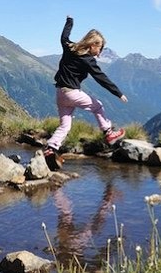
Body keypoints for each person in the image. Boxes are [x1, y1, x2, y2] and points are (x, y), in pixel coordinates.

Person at [44, 15, 128, 167]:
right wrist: (118, 93)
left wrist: (69, 22)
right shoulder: (88, 60)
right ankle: (108, 133)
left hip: (60, 93)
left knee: (65, 126)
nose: (100, 52)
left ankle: (50, 148)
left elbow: (64, 36)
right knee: (98, 106)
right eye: (100, 48)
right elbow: (101, 78)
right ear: (92, 44)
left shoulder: (69, 47)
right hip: (71, 93)